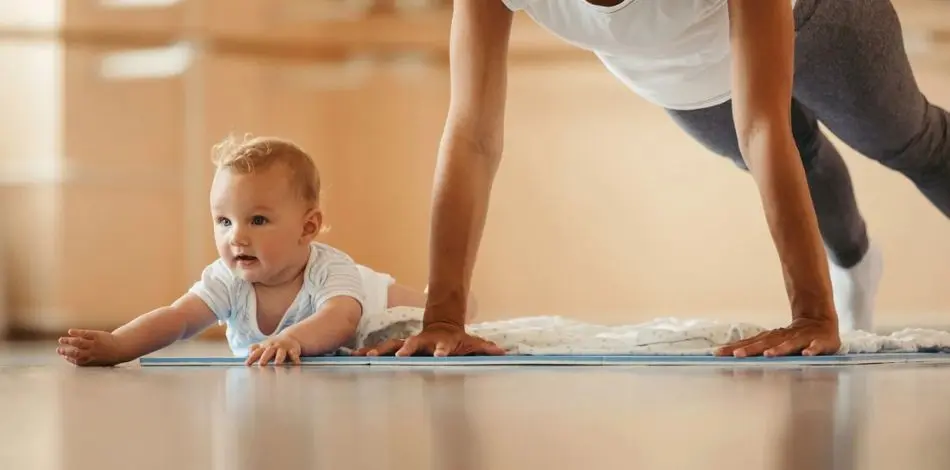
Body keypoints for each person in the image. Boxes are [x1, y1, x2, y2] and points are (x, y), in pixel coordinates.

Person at [355, 0, 950, 358]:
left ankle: (834, 286)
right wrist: (444, 319)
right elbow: (472, 137)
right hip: (682, 78)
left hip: (814, 23)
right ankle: (854, 263)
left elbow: (762, 125)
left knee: (911, 143)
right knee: (807, 160)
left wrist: (811, 314)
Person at [55, 135, 440, 367]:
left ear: (307, 227)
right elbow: (178, 318)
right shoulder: (228, 279)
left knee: (423, 313)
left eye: (257, 221)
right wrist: (119, 344)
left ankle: (447, 301)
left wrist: (292, 339)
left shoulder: (330, 268)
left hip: (368, 300)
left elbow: (340, 319)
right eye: (224, 222)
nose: (236, 237)